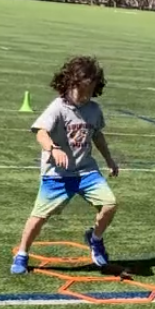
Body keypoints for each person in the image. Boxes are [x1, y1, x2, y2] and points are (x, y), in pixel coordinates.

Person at [10, 56, 119, 274]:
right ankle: (22, 253)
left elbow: (97, 136)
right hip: (57, 175)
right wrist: (53, 148)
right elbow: (40, 133)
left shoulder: (94, 110)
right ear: (71, 83)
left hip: (87, 171)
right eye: (83, 90)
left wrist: (109, 159)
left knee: (110, 204)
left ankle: (95, 239)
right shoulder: (58, 107)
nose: (86, 95)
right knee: (40, 217)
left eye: (91, 90)